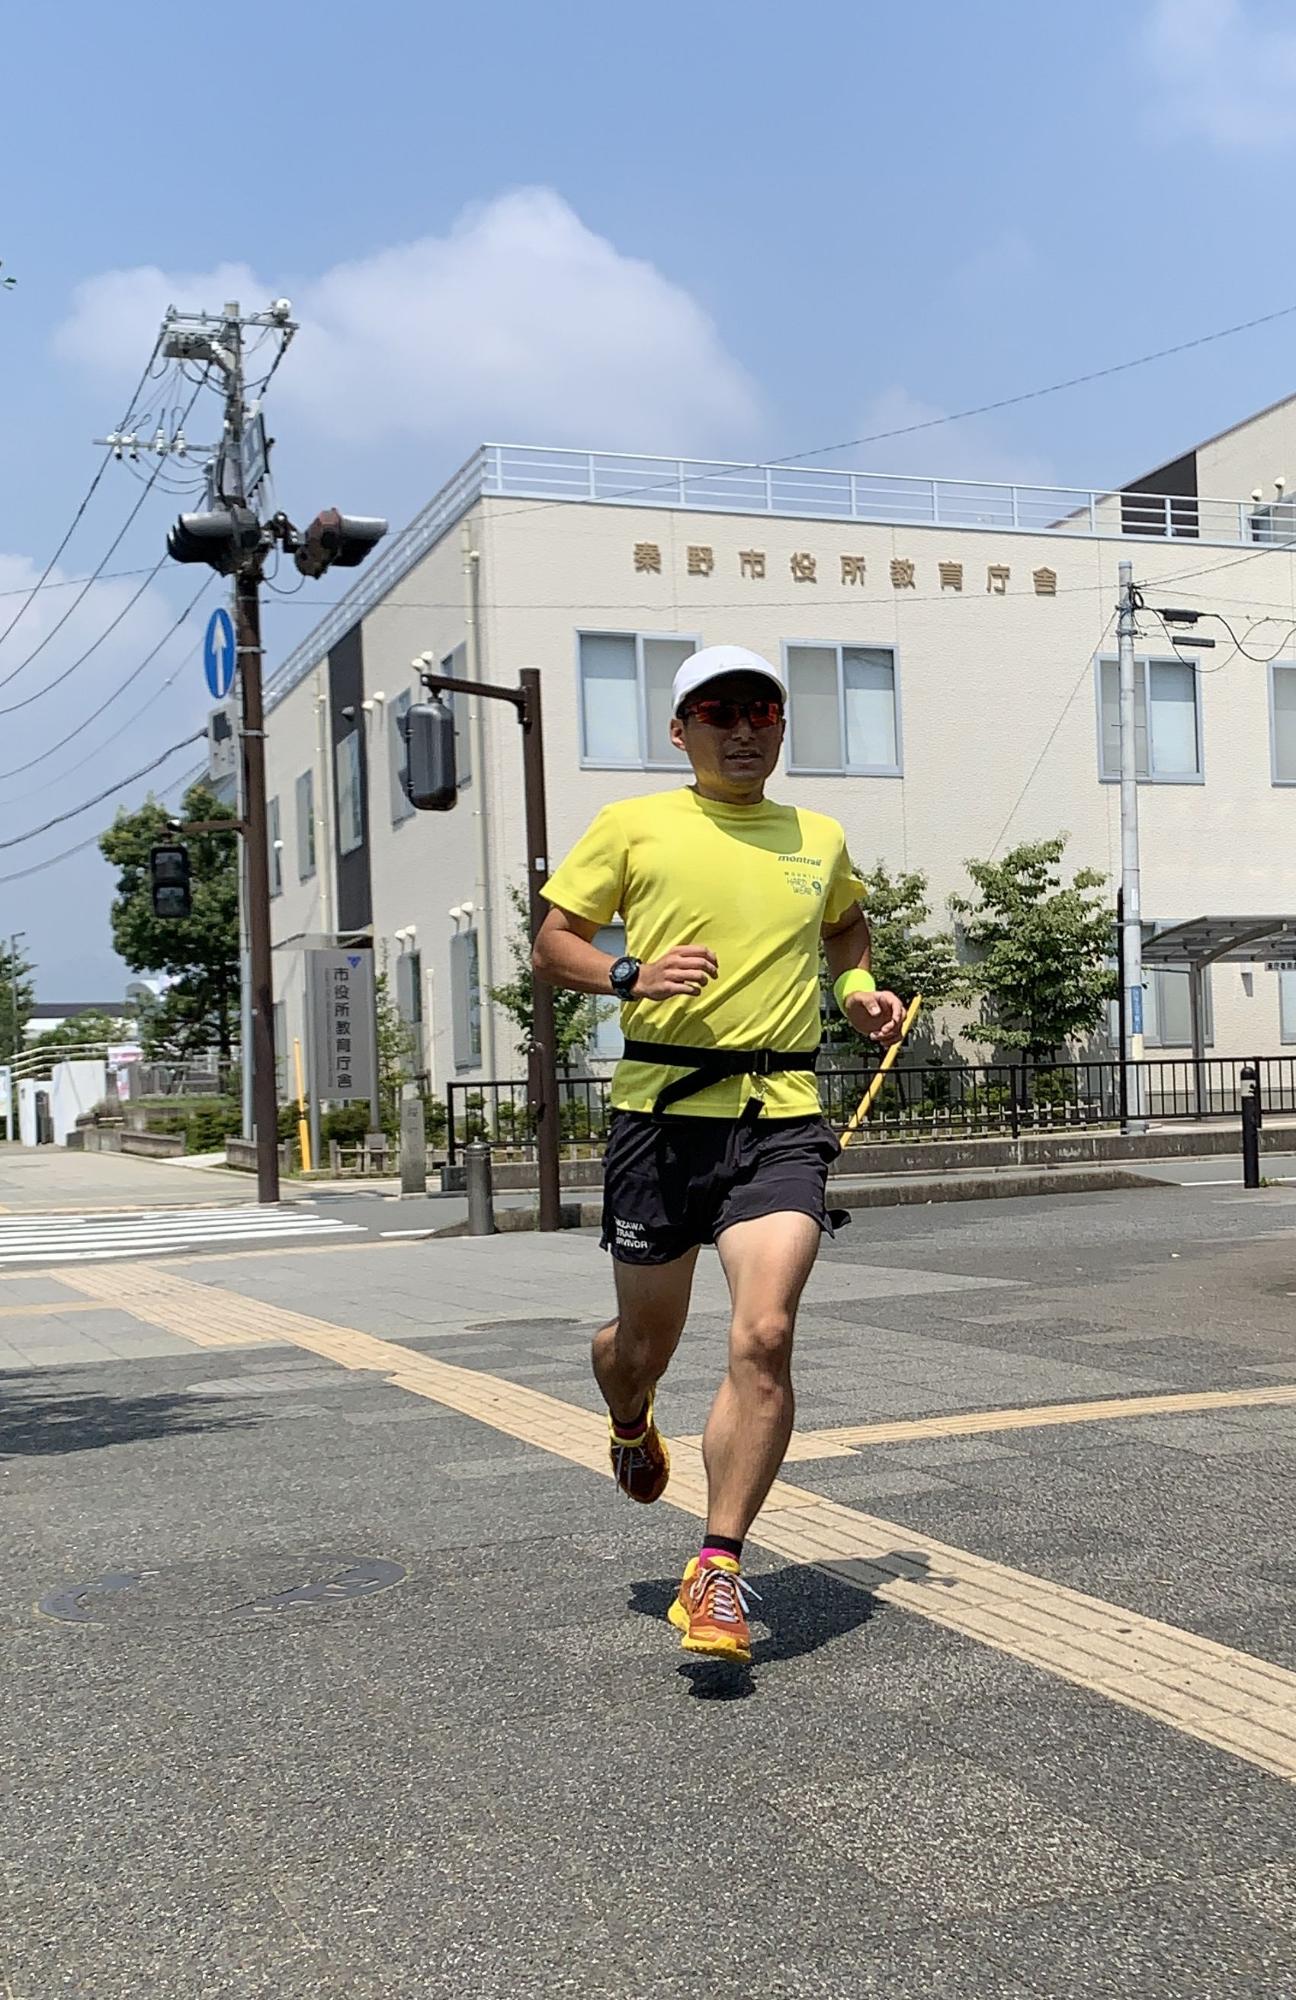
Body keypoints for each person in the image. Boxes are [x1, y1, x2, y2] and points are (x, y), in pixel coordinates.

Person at [533, 644, 904, 1663]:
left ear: (781, 728)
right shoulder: (635, 825)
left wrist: (859, 988)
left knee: (765, 1332)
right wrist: (627, 970)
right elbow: (552, 940)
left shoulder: (817, 836)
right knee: (641, 1343)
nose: (744, 730)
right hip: (660, 1117)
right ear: (680, 730)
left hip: (780, 1115)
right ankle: (626, 1408)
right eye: (720, 712)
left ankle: (718, 1567)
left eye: (763, 713)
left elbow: (847, 928)